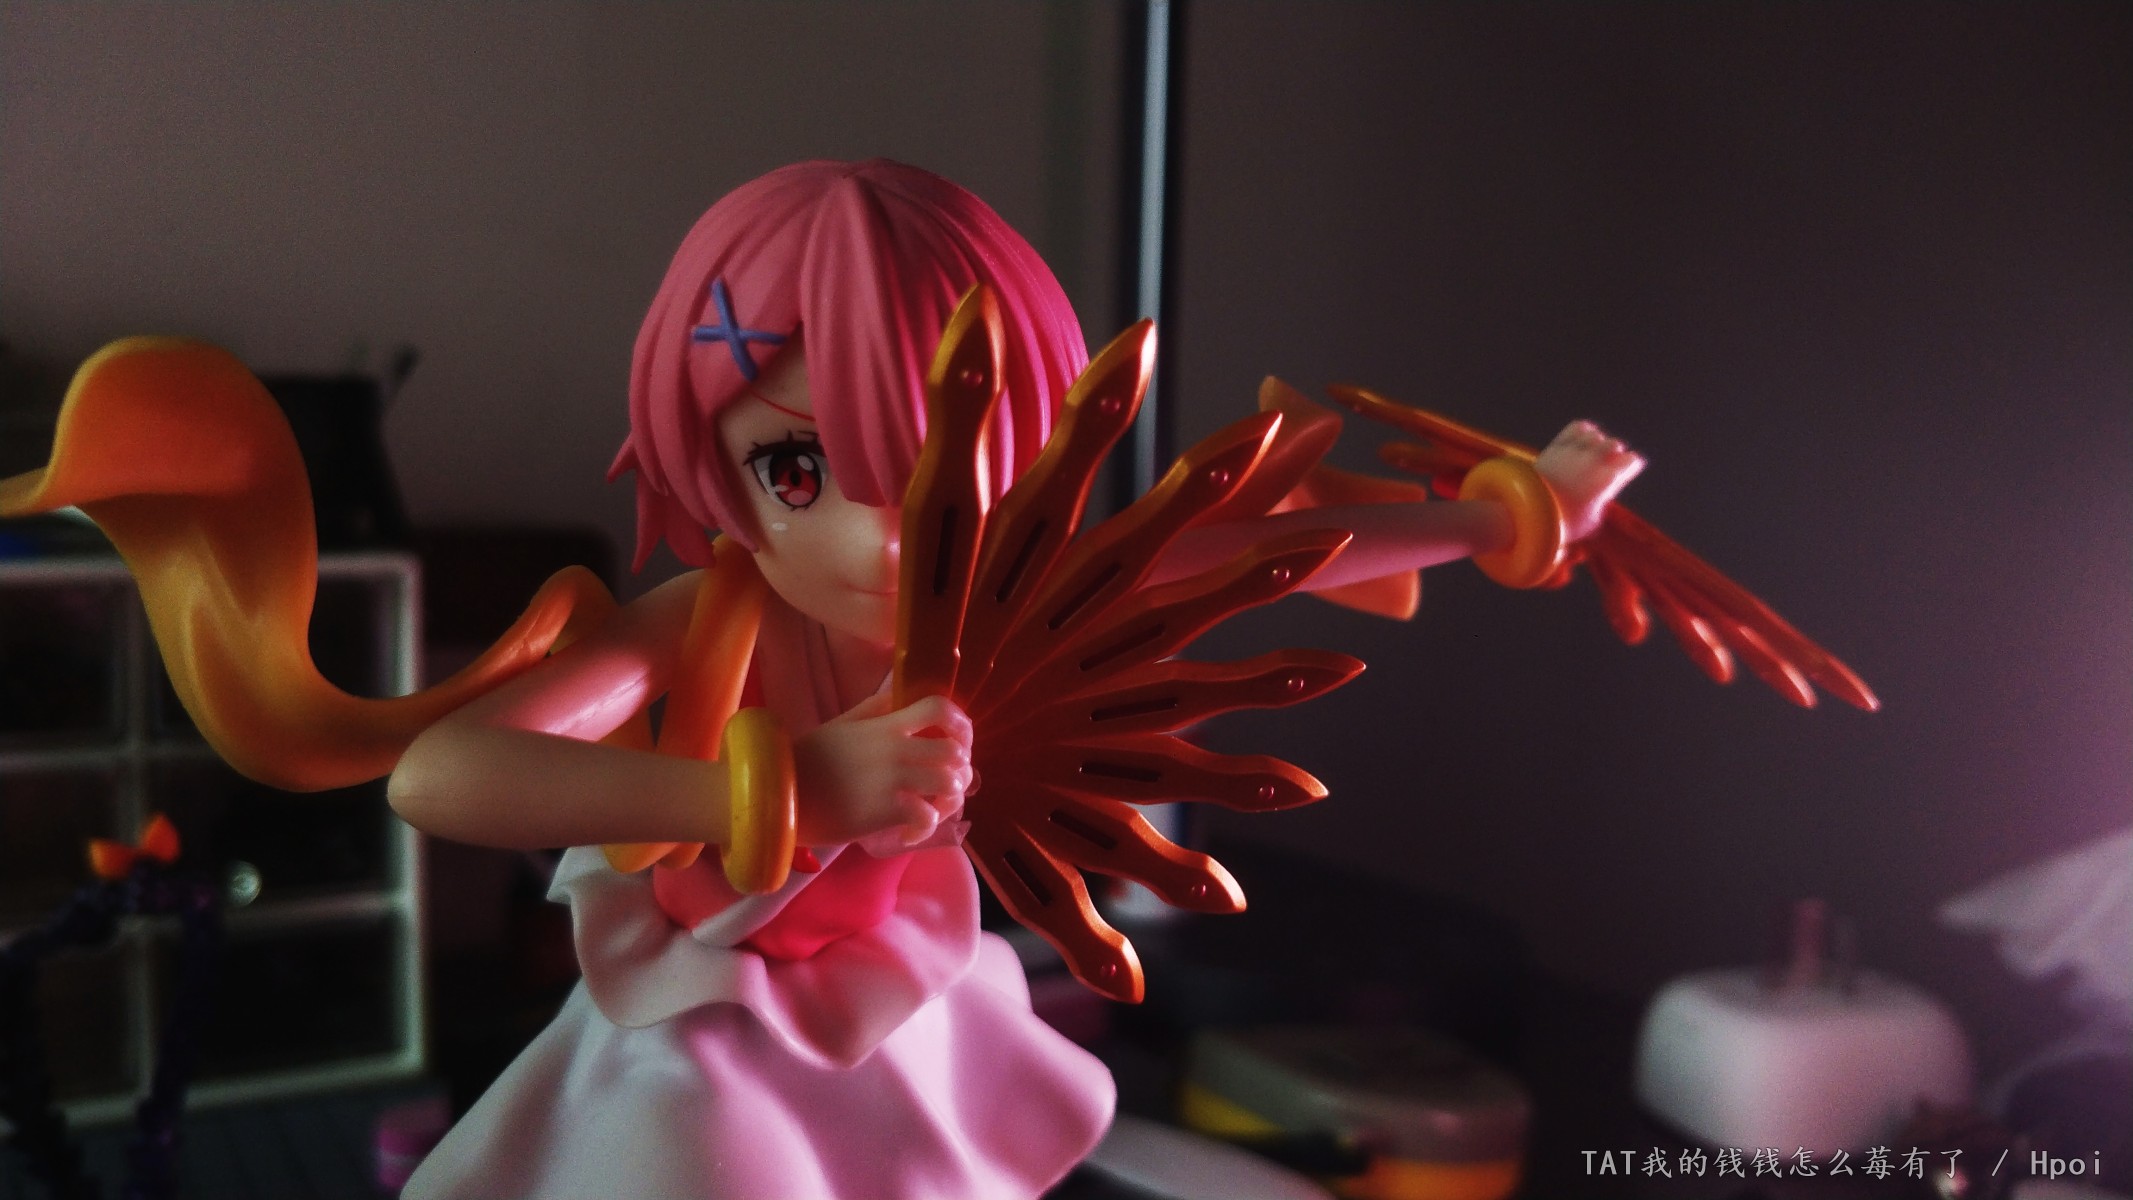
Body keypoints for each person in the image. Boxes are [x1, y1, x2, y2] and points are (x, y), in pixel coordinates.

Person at [0, 159, 1643, 1199]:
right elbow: (444, 775)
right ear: (718, 467)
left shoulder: (1020, 603)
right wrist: (777, 786)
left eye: (934, 460)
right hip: (701, 1025)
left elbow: (1248, 545)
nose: (868, 529)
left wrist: (1503, 513)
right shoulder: (700, 622)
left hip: (896, 1006)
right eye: (795, 469)